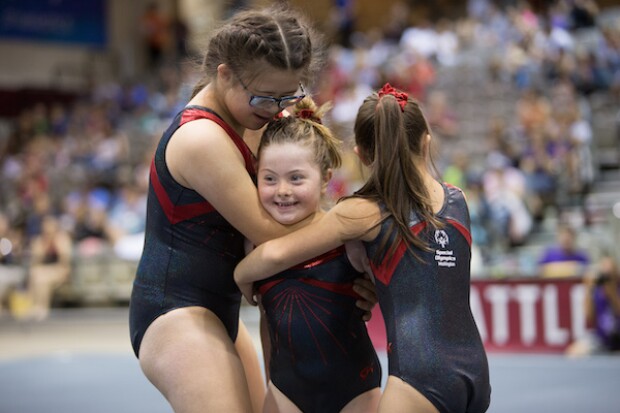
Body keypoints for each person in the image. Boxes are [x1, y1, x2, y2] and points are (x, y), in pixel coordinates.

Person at [128, 5, 375, 413]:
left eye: (288, 96)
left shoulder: (252, 120)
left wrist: (349, 276)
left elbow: (299, 224)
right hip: (175, 311)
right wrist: (355, 232)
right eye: (264, 97)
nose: (277, 109)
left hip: (218, 308)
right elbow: (275, 236)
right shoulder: (201, 138)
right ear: (224, 74)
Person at [235, 83, 491, 413]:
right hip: (475, 371)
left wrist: (242, 276)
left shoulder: (362, 212)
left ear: (362, 155)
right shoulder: (459, 199)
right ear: (426, 144)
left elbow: (273, 255)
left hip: (417, 380)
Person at [250, 97, 381, 412]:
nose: (282, 190)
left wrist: (376, 292)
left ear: (325, 179)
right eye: (269, 178)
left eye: (296, 178)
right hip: (285, 391)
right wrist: (272, 381)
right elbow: (266, 318)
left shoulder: (348, 237)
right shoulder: (254, 244)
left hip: (355, 390)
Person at [566, 253, 620, 356]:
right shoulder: (597, 292)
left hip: (618, 337)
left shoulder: (617, 289)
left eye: (610, 270)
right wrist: (588, 288)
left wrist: (611, 292)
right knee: (573, 352)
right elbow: (589, 316)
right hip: (602, 338)